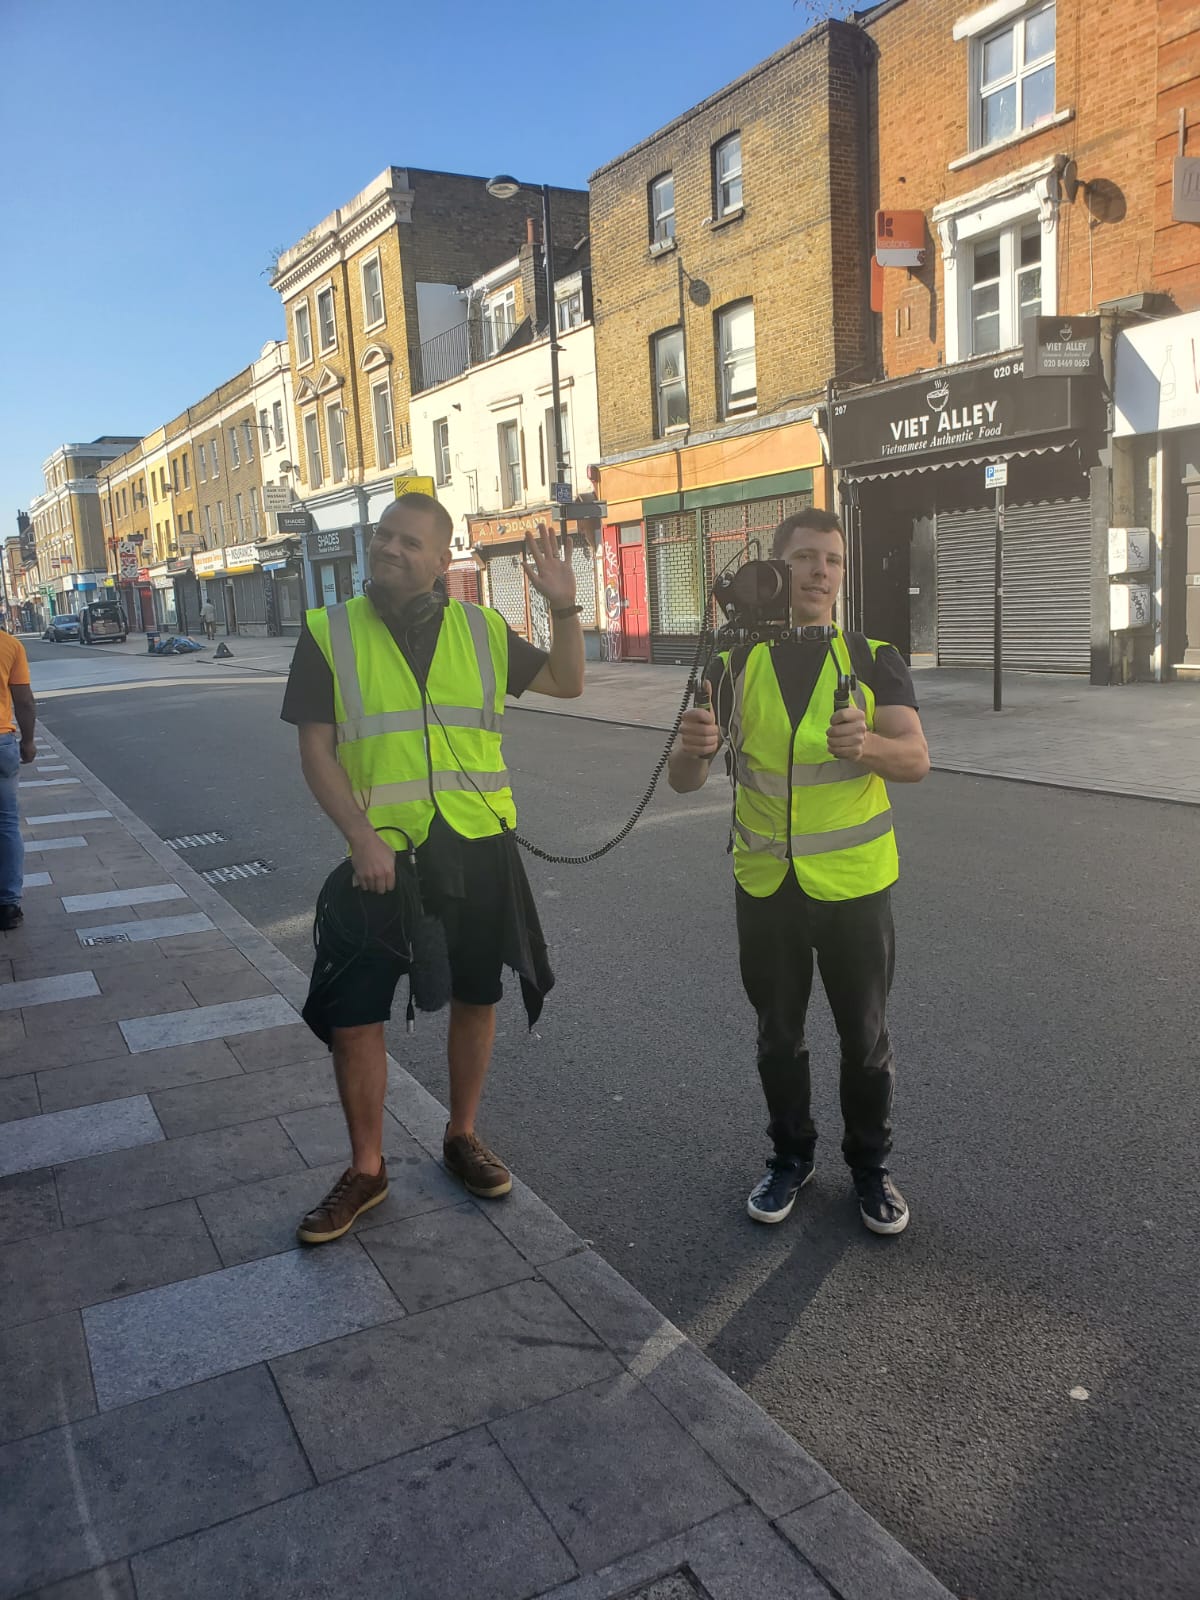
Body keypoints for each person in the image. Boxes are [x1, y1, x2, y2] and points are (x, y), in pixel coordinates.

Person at [281, 492, 584, 1244]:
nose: (389, 548)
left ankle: (461, 1135)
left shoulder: (482, 629)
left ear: (440, 558)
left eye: (409, 542)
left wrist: (566, 610)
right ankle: (367, 1168)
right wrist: (358, 833)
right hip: (381, 853)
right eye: (384, 535)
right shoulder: (329, 632)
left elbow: (568, 683)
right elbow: (315, 747)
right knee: (353, 1016)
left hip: (479, 843)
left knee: (479, 996)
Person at [668, 507, 929, 1236]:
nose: (820, 572)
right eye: (805, 558)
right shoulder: (729, 662)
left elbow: (916, 760)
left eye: (832, 561)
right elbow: (685, 781)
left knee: (865, 1037)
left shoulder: (874, 655)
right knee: (778, 1035)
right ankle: (791, 1158)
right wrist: (693, 748)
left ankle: (871, 1171)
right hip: (766, 886)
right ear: (777, 571)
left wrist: (867, 747)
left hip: (855, 887)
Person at [0, 630, 37, 932]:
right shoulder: (9, 644)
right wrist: (29, 741)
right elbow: (23, 700)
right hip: (1, 743)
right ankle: (9, 904)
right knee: (7, 824)